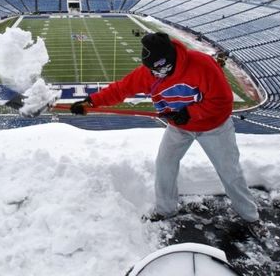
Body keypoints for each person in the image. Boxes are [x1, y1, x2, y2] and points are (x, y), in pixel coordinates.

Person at [70, 32, 267, 238]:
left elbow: (223, 102)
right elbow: (122, 88)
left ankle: (250, 217)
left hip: (213, 127)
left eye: (158, 69)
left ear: (169, 61)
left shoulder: (203, 65)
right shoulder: (150, 72)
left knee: (230, 172)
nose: (154, 74)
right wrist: (90, 102)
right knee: (165, 164)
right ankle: (166, 209)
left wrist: (189, 113)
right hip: (180, 128)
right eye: (151, 70)